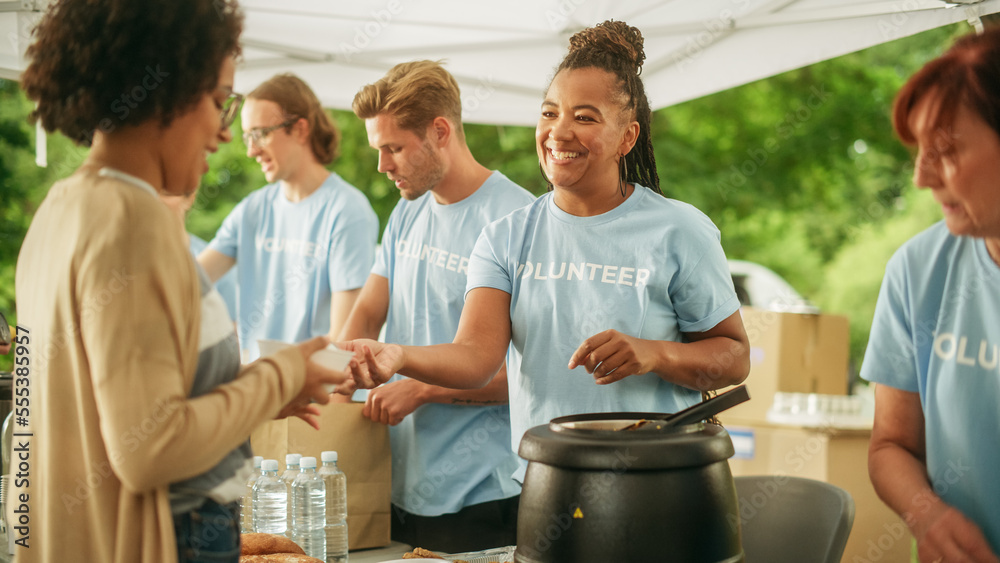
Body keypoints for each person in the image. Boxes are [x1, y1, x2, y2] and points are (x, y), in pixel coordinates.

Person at [345, 21, 750, 482]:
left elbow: (734, 359)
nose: (559, 132)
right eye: (549, 113)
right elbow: (476, 358)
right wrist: (399, 355)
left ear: (627, 137)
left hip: (658, 485)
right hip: (545, 486)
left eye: (585, 117)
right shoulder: (505, 236)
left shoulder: (679, 230)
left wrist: (656, 354)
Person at [13, 1, 344, 561]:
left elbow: (127, 401)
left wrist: (257, 394)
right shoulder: (132, 221)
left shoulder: (61, 208)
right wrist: (275, 374)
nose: (223, 132)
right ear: (164, 93)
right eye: (219, 102)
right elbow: (150, 450)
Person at [342, 60, 534, 552]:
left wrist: (422, 390)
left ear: (440, 131)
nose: (383, 166)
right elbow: (366, 313)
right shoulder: (408, 211)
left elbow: (535, 376)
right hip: (396, 483)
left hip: (480, 495)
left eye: (393, 148)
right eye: (378, 150)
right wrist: (336, 370)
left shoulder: (517, 221)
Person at [863, 27, 1000, 563]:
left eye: (943, 151)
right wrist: (929, 515)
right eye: (919, 151)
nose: (921, 177)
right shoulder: (917, 270)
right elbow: (892, 444)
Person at [198, 73, 379, 361]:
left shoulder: (347, 211)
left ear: (300, 129)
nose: (251, 150)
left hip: (314, 393)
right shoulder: (252, 209)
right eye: (247, 136)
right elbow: (192, 281)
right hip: (259, 388)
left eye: (260, 134)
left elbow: (345, 340)